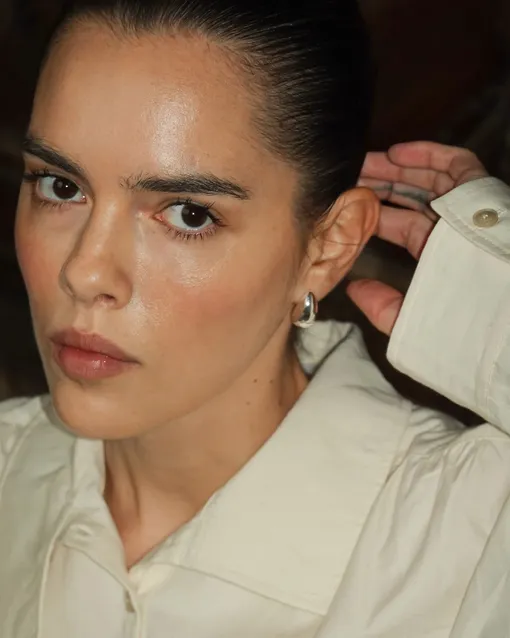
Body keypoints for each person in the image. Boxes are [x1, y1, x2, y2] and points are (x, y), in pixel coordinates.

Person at [0, 0, 509, 635]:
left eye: (188, 214)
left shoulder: (470, 538)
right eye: (60, 186)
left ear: (328, 247)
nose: (85, 272)